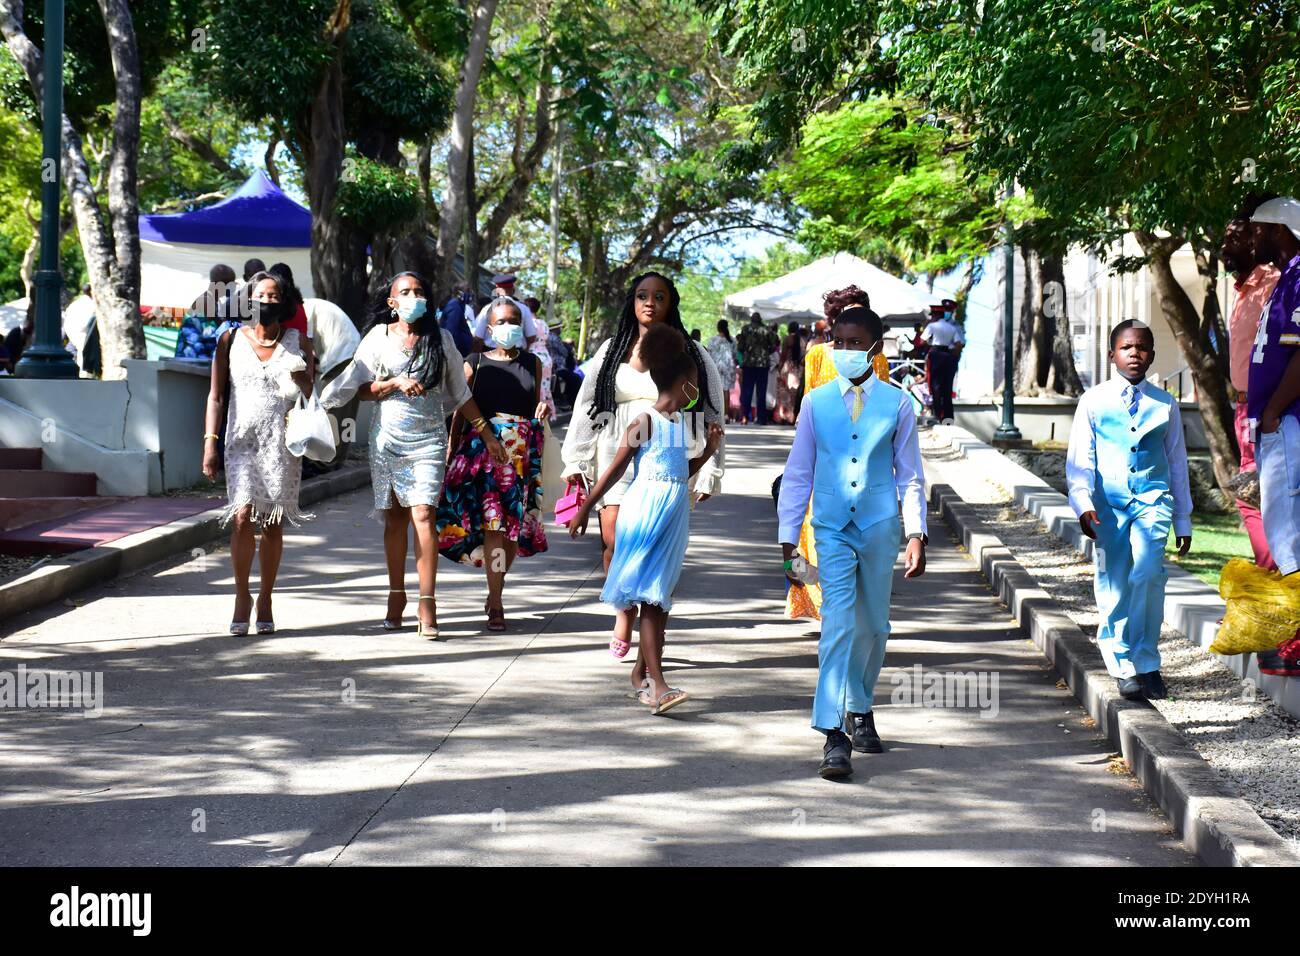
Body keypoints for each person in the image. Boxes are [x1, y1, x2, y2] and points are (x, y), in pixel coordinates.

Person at [776, 305, 927, 778]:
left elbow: (911, 476)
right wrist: (788, 537)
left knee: (874, 626)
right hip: (832, 528)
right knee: (838, 623)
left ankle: (860, 706)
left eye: (854, 343)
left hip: (880, 527)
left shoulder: (898, 403)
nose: (843, 351)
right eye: (837, 342)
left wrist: (916, 531)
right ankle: (833, 734)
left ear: (876, 348)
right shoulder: (815, 404)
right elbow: (798, 475)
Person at [321, 272, 508, 639]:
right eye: (404, 292)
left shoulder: (441, 340)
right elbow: (359, 389)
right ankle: (396, 596)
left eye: (419, 291)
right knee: (394, 521)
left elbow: (461, 393)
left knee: (423, 513)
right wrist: (391, 383)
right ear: (391, 302)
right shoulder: (378, 338)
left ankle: (427, 602)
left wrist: (487, 434)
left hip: (429, 441)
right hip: (387, 440)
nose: (413, 297)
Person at [561, 271, 726, 659]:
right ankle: (624, 612)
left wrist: (709, 465)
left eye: (659, 296)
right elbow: (588, 405)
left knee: (655, 548)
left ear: (672, 303)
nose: (649, 302)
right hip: (616, 449)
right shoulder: (612, 349)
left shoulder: (691, 352)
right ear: (632, 302)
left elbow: (712, 407)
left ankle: (651, 637)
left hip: (667, 457)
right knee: (616, 541)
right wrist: (576, 458)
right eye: (641, 295)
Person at [1066, 320, 1192, 701]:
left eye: (1142, 348)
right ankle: (1122, 664)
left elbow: (1176, 462)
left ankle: (1147, 661)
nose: (1134, 353)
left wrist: (1182, 517)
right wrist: (1083, 503)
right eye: (1126, 347)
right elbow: (1080, 459)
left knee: (1150, 574)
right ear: (1112, 355)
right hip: (1109, 507)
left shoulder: (1165, 402)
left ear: (1152, 355)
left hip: (1153, 501)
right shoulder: (1093, 400)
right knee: (1114, 582)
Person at [202, 271, 314, 636]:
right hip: (240, 442)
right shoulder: (229, 339)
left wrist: (305, 382)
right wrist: (209, 441)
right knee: (242, 517)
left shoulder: (300, 342)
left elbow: (312, 395)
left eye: (273, 296)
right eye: (259, 296)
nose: (266, 302)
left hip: (281, 443)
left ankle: (265, 596)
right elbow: (216, 396)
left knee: (273, 522)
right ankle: (241, 596)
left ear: (284, 302)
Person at [437, 298, 549, 630]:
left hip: (521, 457)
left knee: (513, 534)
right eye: (501, 322)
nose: (508, 326)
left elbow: (534, 406)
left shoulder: (533, 363)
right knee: (495, 528)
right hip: (485, 456)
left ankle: (496, 586)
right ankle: (497, 600)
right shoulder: (475, 362)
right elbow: (461, 406)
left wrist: (539, 418)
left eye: (514, 320)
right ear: (489, 328)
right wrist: (451, 447)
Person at [786, 287, 872, 623]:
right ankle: (825, 606)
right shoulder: (816, 356)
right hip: (820, 459)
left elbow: (878, 409)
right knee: (815, 530)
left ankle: (845, 604)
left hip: (859, 460)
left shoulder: (875, 359)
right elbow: (808, 406)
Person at [1248, 195, 1300, 676]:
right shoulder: (1287, 277)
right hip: (1277, 422)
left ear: (1280, 230)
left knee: (1287, 535)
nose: (1252, 236)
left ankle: (1293, 644)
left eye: (1259, 229)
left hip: (1287, 422)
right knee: (1282, 529)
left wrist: (1273, 413)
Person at [303, 296, 362, 473]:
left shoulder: (303, 309)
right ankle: (335, 462)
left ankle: (323, 464)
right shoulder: (312, 305)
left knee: (333, 413)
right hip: (348, 353)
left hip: (341, 356)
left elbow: (307, 345)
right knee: (344, 414)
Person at [470, 273, 539, 351]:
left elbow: (478, 337)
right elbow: (531, 337)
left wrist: (479, 358)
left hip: (491, 354)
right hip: (517, 355)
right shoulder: (524, 309)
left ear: (497, 289)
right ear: (513, 290)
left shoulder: (487, 309)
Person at [922, 303, 964, 424]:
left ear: (935, 315)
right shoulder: (952, 328)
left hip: (935, 354)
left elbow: (922, 341)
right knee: (947, 389)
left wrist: (929, 343)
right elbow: (958, 344)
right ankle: (948, 419)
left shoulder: (932, 326)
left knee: (935, 386)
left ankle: (937, 417)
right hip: (948, 355)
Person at [736, 312, 780, 424]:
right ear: (760, 320)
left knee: (747, 391)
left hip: (748, 364)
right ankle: (761, 418)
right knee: (761, 391)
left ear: (751, 319)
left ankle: (745, 416)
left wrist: (747, 353)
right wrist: (765, 352)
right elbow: (774, 345)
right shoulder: (766, 330)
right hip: (763, 364)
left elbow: (740, 346)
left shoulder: (745, 329)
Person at [705, 319, 738, 422]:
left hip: (715, 367)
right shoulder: (732, 340)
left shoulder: (713, 340)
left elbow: (709, 354)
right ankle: (726, 415)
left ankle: (717, 414)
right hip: (728, 368)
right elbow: (735, 354)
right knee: (726, 391)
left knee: (715, 391)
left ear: (718, 328)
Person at [774, 321, 804, 424]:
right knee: (795, 395)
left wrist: (780, 367)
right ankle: (794, 417)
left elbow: (784, 355)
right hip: (798, 369)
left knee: (784, 393)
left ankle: (784, 416)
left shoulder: (787, 339)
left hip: (788, 368)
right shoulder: (802, 340)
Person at [440, 282, 477, 357]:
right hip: (455, 354)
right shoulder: (454, 307)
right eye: (468, 290)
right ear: (459, 293)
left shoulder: (459, 306)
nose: (471, 293)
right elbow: (451, 332)